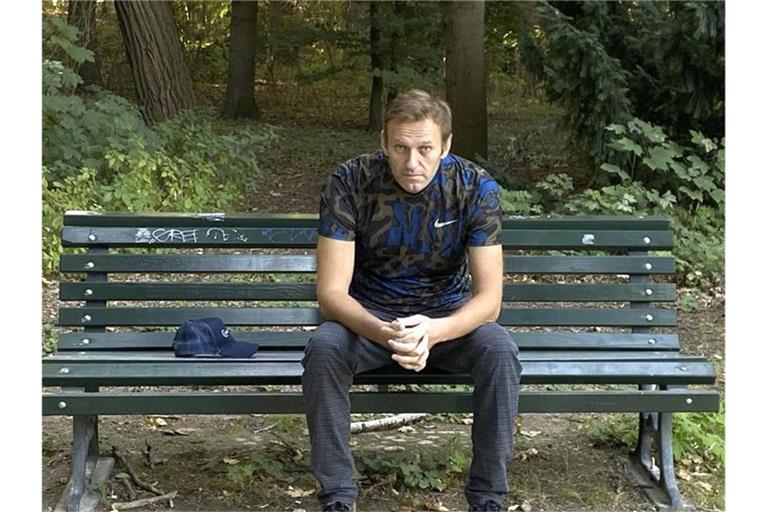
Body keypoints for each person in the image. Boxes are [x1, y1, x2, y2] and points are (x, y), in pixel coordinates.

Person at [302, 89, 522, 512]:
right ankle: (337, 496)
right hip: (369, 321)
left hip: (447, 320)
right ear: (384, 142)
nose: (412, 162)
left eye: (425, 149)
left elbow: (489, 300)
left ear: (446, 145)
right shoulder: (350, 181)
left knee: (499, 349)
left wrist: (435, 331)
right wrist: (386, 333)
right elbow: (331, 295)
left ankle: (488, 497)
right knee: (324, 347)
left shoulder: (475, 187)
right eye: (400, 148)